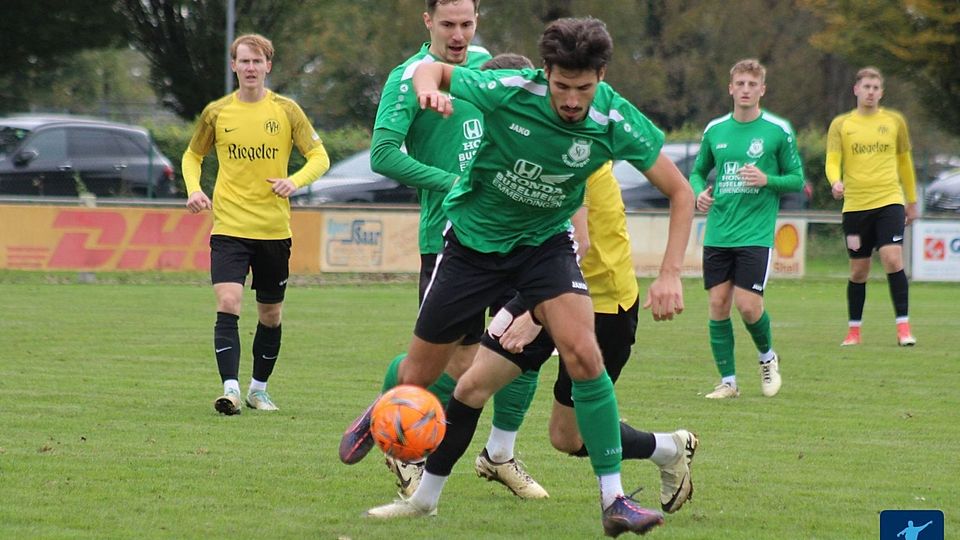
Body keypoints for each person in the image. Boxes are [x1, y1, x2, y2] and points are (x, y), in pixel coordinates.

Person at [363, 17, 694, 537]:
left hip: (543, 246)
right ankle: (419, 490)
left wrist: (670, 273)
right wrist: (430, 94)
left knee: (584, 353)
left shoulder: (615, 118)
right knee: (419, 378)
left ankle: (615, 501)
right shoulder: (508, 88)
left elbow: (680, 192)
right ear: (546, 73)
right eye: (561, 86)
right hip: (472, 244)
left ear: (601, 77)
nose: (570, 99)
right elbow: (429, 70)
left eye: (583, 88)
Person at [386, 160, 699, 516]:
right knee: (471, 386)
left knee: (568, 438)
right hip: (542, 295)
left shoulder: (582, 156)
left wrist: (532, 314)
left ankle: (669, 449)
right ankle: (424, 500)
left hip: (604, 308)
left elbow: (581, 245)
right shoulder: (538, 152)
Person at [339, 2, 546, 499]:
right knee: (456, 366)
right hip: (450, 238)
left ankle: (500, 454)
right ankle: (395, 414)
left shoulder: (485, 63)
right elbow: (383, 154)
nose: (458, 35)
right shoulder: (408, 77)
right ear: (426, 20)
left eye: (467, 24)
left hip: (513, 233)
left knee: (530, 344)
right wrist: (454, 182)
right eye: (448, 24)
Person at [181, 33, 330, 415]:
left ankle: (257, 390)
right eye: (243, 61)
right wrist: (195, 189)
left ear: (268, 66)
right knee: (228, 302)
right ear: (234, 66)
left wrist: (294, 181)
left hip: (274, 231)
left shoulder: (286, 110)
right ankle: (229, 390)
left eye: (257, 61)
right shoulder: (216, 113)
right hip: (229, 226)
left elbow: (319, 156)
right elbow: (192, 155)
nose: (250, 68)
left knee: (270, 315)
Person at [689, 59, 804, 400]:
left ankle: (768, 358)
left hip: (755, 233)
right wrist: (699, 193)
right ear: (730, 88)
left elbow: (796, 179)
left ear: (762, 90)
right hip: (719, 231)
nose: (745, 90)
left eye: (752, 85)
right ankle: (728, 382)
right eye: (740, 83)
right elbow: (698, 172)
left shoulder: (777, 130)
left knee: (749, 306)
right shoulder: (715, 130)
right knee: (718, 304)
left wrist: (768, 180)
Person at [826, 66, 918, 347]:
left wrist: (911, 200)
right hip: (855, 210)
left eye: (876, 88)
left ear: (881, 92)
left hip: (888, 201)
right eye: (866, 87)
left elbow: (904, 162)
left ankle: (903, 328)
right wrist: (835, 181)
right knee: (859, 270)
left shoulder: (894, 122)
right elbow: (832, 160)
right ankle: (854, 331)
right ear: (856, 89)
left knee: (892, 259)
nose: (871, 92)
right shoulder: (842, 125)